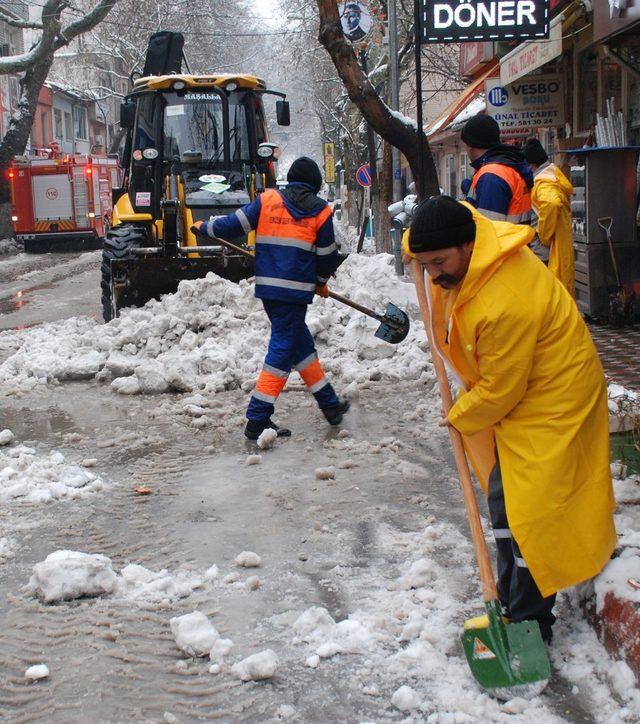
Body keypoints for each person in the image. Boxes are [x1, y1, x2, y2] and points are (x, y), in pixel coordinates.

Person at [405, 195, 616, 643]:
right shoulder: (470, 241)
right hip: (524, 389)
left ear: (467, 246)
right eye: (424, 264)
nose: (434, 274)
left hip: (555, 399)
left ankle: (531, 621)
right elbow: (429, 232)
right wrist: (417, 253)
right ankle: (513, 600)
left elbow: (501, 390)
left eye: (439, 262)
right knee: (505, 498)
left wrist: (459, 413)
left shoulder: (505, 301)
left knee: (531, 512)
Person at [193, 157, 349, 440]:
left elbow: (231, 225)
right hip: (296, 293)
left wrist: (204, 227)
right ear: (315, 185)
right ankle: (257, 419)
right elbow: (328, 257)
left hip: (269, 291)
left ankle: (330, 406)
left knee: (300, 347)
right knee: (282, 351)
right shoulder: (321, 212)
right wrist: (321, 282)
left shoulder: (267, 200)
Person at [523, 138, 575, 295]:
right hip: (555, 244)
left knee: (550, 292)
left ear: (531, 164)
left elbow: (551, 203)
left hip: (547, 248)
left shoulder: (543, 182)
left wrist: (544, 234)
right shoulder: (553, 175)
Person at [461, 113, 533, 224]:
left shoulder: (491, 176)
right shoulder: (508, 166)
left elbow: (488, 229)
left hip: (501, 241)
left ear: (470, 144)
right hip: (515, 239)